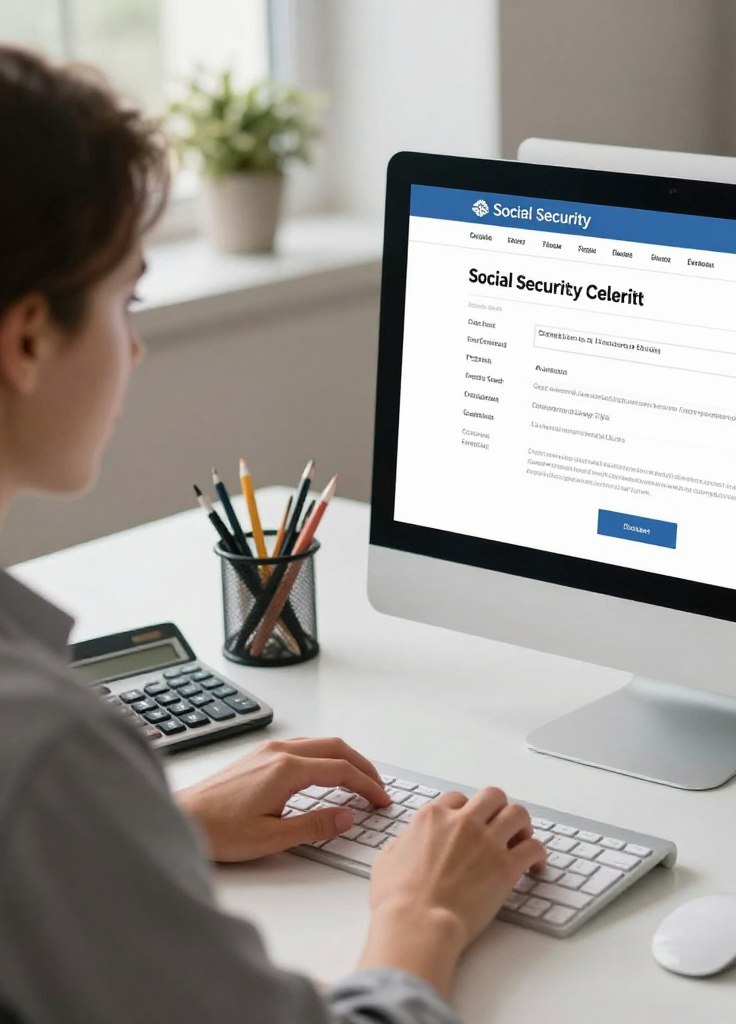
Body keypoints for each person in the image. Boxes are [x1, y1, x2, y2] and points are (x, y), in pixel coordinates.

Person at [0, 46, 545, 1024]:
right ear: (27, 340)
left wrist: (136, 839)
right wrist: (419, 917)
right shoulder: (43, 751)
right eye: (127, 300)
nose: (136, 347)